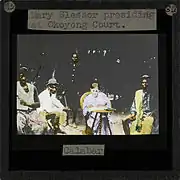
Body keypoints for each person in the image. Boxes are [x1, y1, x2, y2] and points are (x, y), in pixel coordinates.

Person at [17, 67, 48, 135]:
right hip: (19, 112)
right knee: (18, 126)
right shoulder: (15, 86)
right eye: (22, 76)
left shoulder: (32, 87)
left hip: (32, 112)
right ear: (18, 76)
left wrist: (28, 104)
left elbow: (38, 104)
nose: (23, 78)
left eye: (25, 76)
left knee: (43, 125)